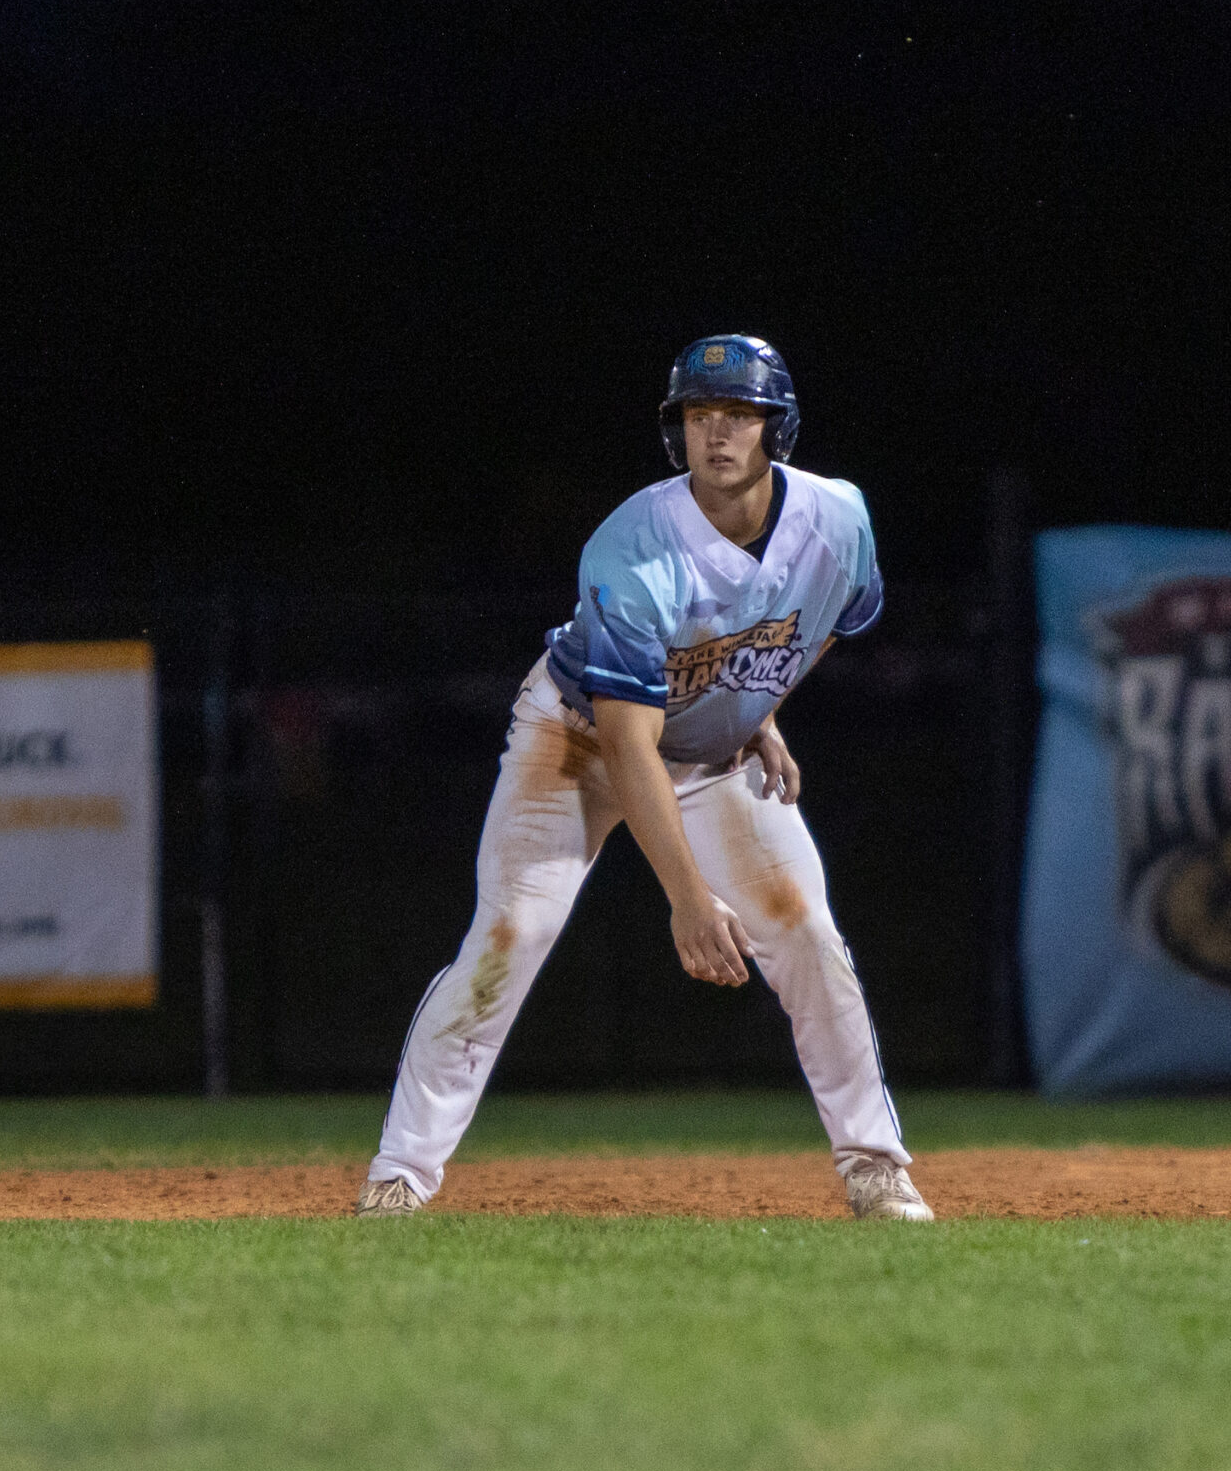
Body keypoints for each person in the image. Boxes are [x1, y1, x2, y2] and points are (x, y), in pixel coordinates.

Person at [356, 335, 931, 1220]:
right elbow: (631, 749)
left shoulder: (840, 520)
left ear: (777, 426)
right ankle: (400, 1175)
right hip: (581, 739)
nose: (719, 433)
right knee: (513, 932)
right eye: (700, 415)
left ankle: (874, 1166)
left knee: (805, 930)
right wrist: (690, 897)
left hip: (707, 744)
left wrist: (758, 707)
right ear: (679, 433)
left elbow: (821, 624)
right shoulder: (634, 548)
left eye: (740, 413)